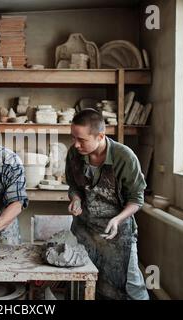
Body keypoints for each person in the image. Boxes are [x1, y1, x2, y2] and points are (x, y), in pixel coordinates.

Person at [65, 109, 149, 300]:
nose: (76, 144)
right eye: (73, 138)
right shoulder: (74, 154)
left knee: (128, 286)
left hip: (116, 232)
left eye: (82, 140)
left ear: (100, 136)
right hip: (84, 229)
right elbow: (73, 186)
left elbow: (137, 199)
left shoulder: (124, 157)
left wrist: (118, 219)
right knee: (81, 284)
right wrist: (76, 199)